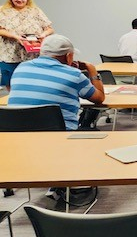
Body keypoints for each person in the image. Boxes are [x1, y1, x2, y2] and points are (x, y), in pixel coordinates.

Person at [8, 34, 105, 200]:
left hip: (17, 136)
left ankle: (56, 179)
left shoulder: (21, 68)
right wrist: (91, 70)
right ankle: (72, 181)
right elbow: (99, 98)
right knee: (92, 130)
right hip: (58, 137)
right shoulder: (74, 75)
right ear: (69, 56)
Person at [0, 0, 54, 90]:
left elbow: (50, 29)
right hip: (10, 54)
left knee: (35, 80)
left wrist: (42, 35)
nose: (19, 0)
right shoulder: (2, 10)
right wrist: (15, 36)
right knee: (12, 81)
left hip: (33, 54)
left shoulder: (35, 10)